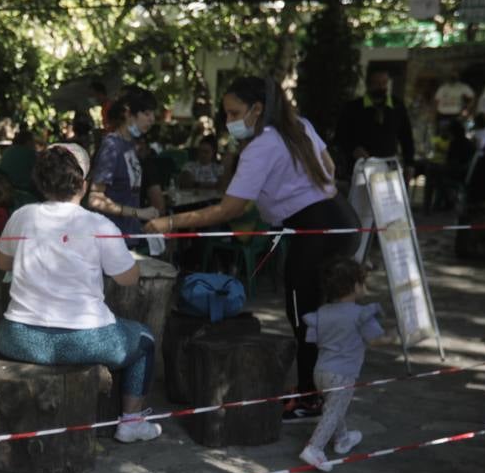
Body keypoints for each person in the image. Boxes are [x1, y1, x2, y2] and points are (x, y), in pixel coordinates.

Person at [145, 76, 361, 422]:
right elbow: (330, 169)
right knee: (316, 315)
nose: (229, 120)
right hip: (341, 218)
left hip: (317, 229)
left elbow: (230, 208)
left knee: (303, 314)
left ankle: (310, 397)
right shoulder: (298, 127)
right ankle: (320, 391)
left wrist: (170, 223)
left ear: (257, 109)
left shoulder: (262, 146)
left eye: (234, 112)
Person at [0, 144, 161, 443]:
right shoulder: (99, 225)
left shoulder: (21, 216)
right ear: (82, 185)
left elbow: (1, 262)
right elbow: (128, 278)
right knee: (145, 340)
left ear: (41, 181)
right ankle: (132, 421)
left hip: (16, 338)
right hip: (84, 340)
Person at [297, 257, 389, 471]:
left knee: (334, 406)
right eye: (363, 283)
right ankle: (314, 448)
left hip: (320, 372)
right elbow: (376, 340)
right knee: (334, 410)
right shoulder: (360, 314)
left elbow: (314, 339)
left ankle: (342, 438)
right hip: (343, 374)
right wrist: (397, 335)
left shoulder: (322, 312)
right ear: (355, 287)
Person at [87, 89, 161, 238]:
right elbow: (95, 199)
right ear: (128, 113)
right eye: (146, 113)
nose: (152, 119)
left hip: (129, 235)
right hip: (111, 238)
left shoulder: (130, 144)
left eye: (153, 114)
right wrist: (139, 213)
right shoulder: (112, 146)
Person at [332, 68, 415, 179]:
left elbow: (406, 137)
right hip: (360, 166)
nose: (381, 87)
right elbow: (340, 136)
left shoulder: (397, 106)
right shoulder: (353, 108)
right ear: (368, 85)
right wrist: (353, 149)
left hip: (388, 165)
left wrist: (409, 163)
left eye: (384, 83)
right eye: (376, 83)